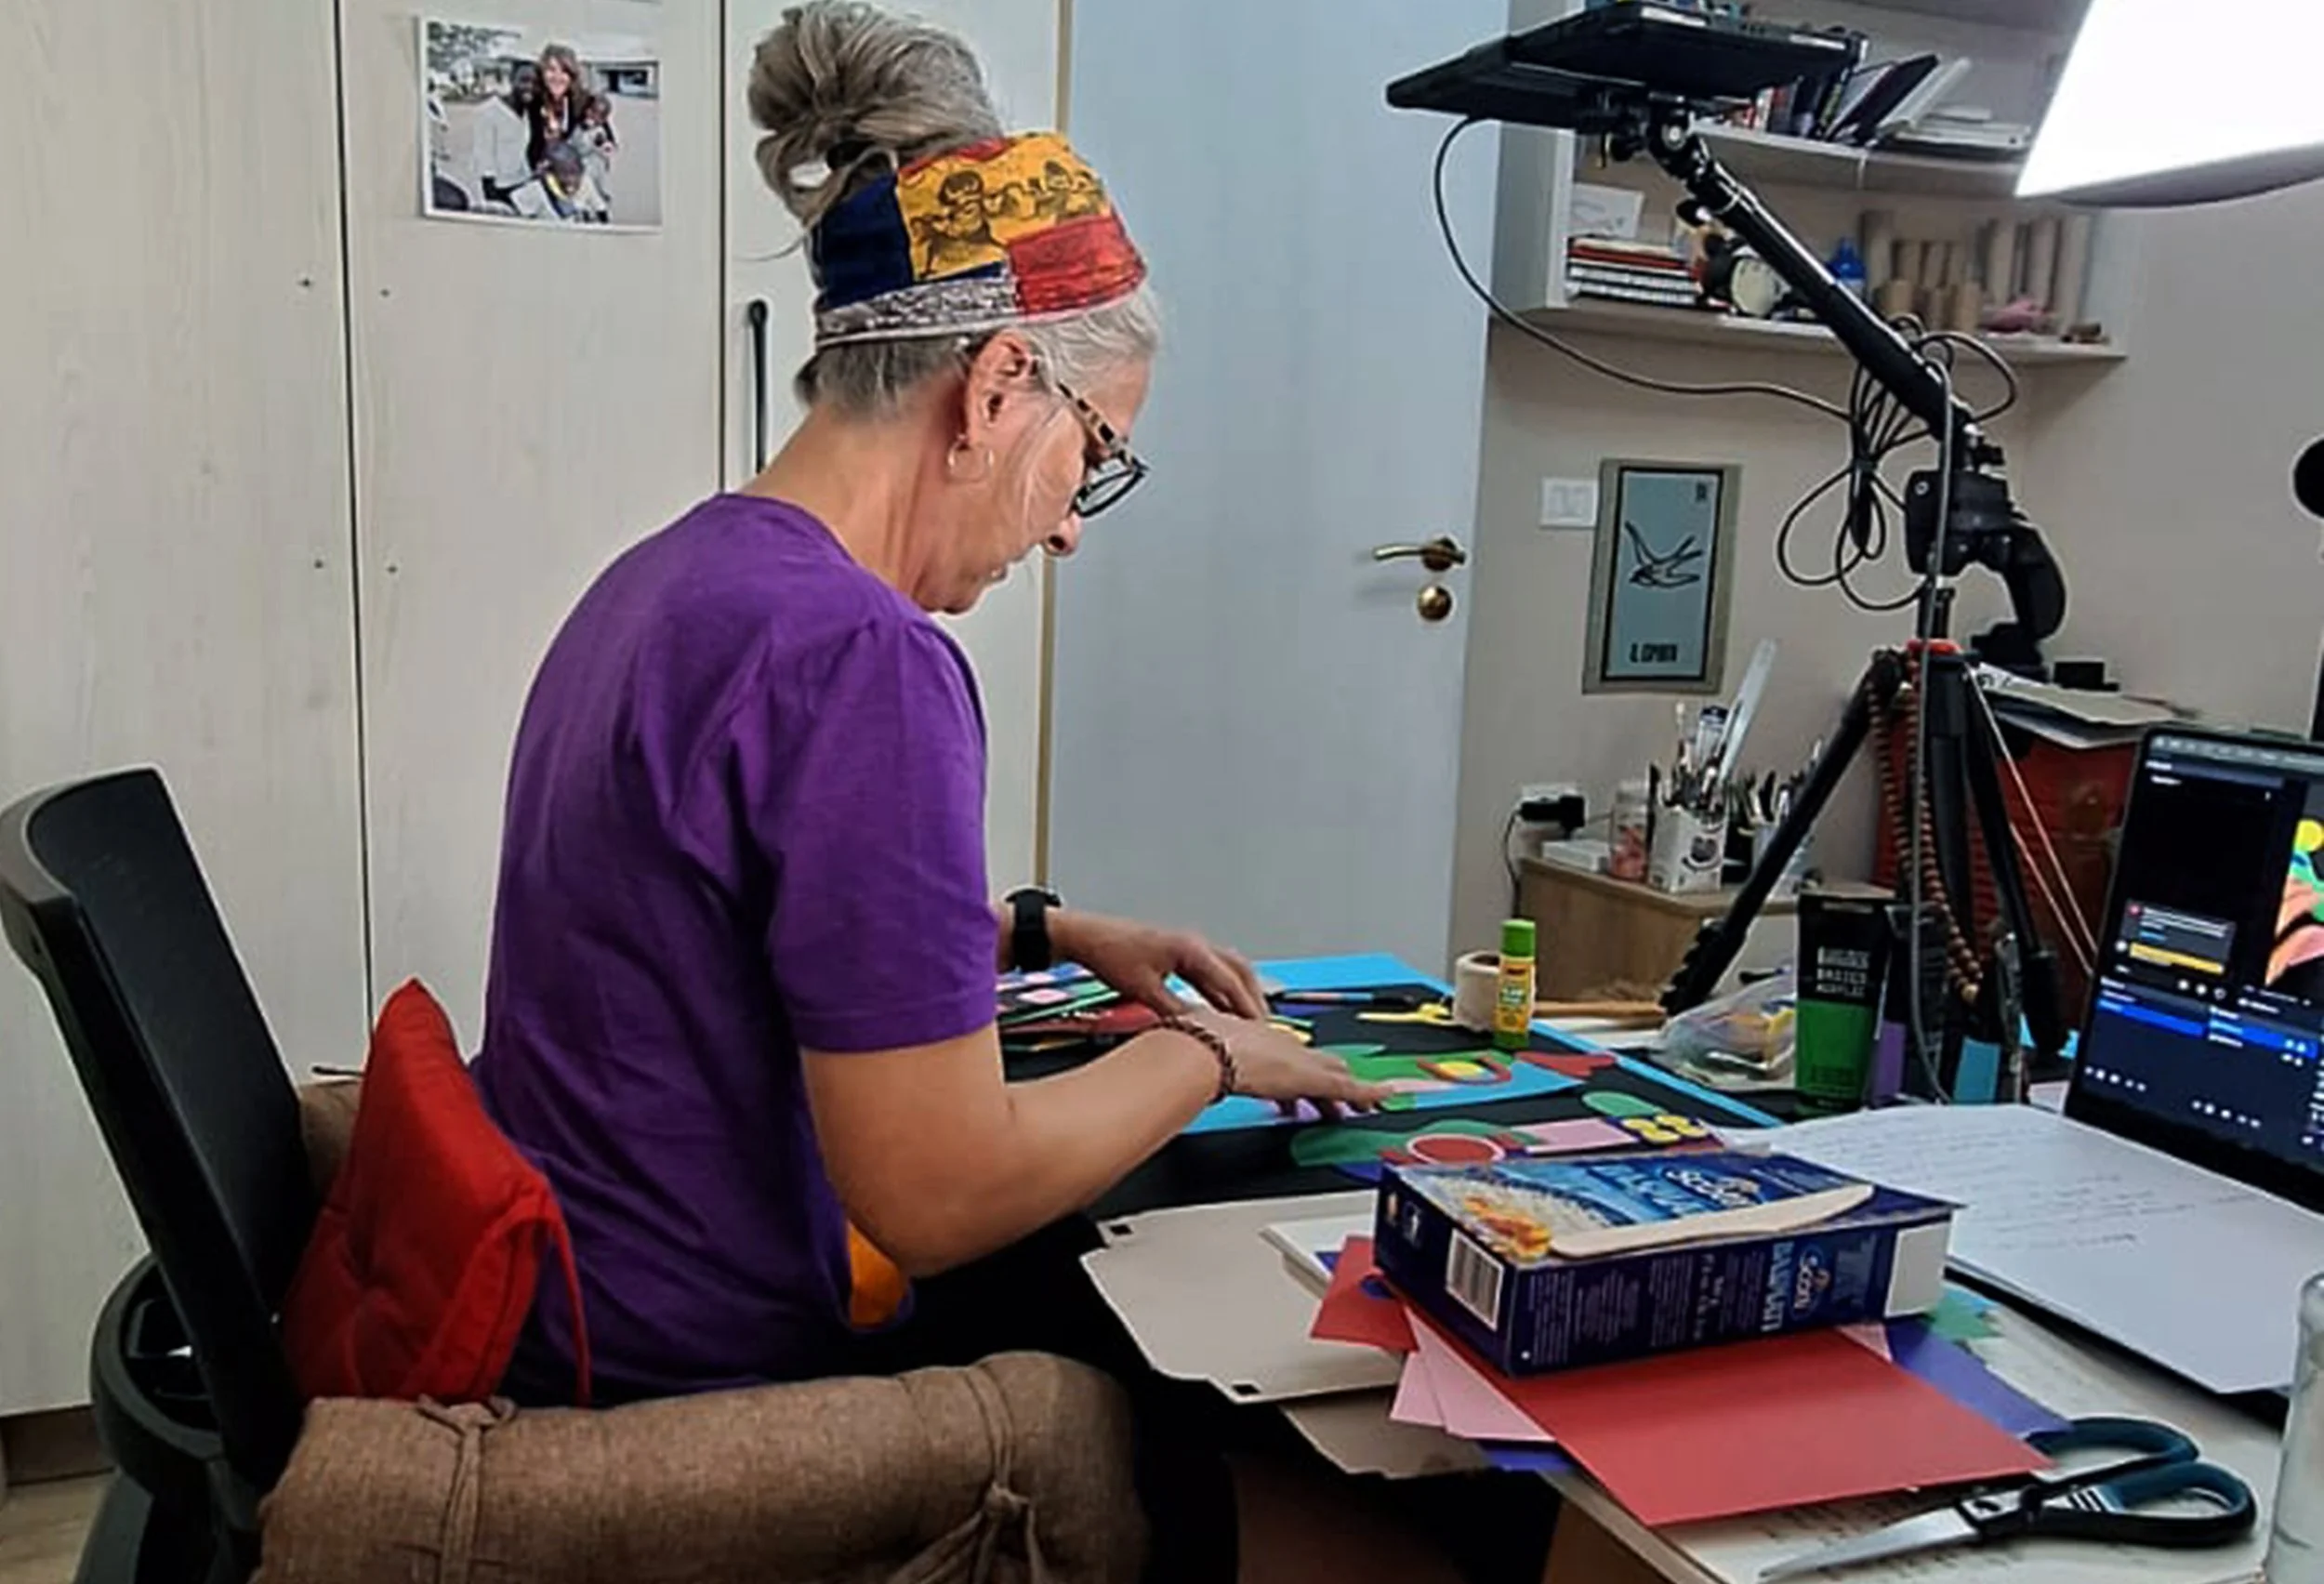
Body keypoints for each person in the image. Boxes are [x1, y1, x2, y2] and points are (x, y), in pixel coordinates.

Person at [472, 5, 1549, 1580]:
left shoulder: (682, 575)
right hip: (698, 1377)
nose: (1070, 527)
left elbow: (724, 939)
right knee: (1415, 1503)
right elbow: (938, 1189)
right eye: (1093, 456)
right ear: (992, 389)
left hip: (588, 1295)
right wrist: (1206, 1054)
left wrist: (1039, 928)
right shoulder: (864, 660)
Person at [468, 60, 549, 218]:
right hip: (499, 189)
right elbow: (484, 158)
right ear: (512, 79)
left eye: (535, 83)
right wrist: (491, 197)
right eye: (524, 80)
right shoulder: (489, 112)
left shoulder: (530, 114)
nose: (530, 87)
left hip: (525, 184)